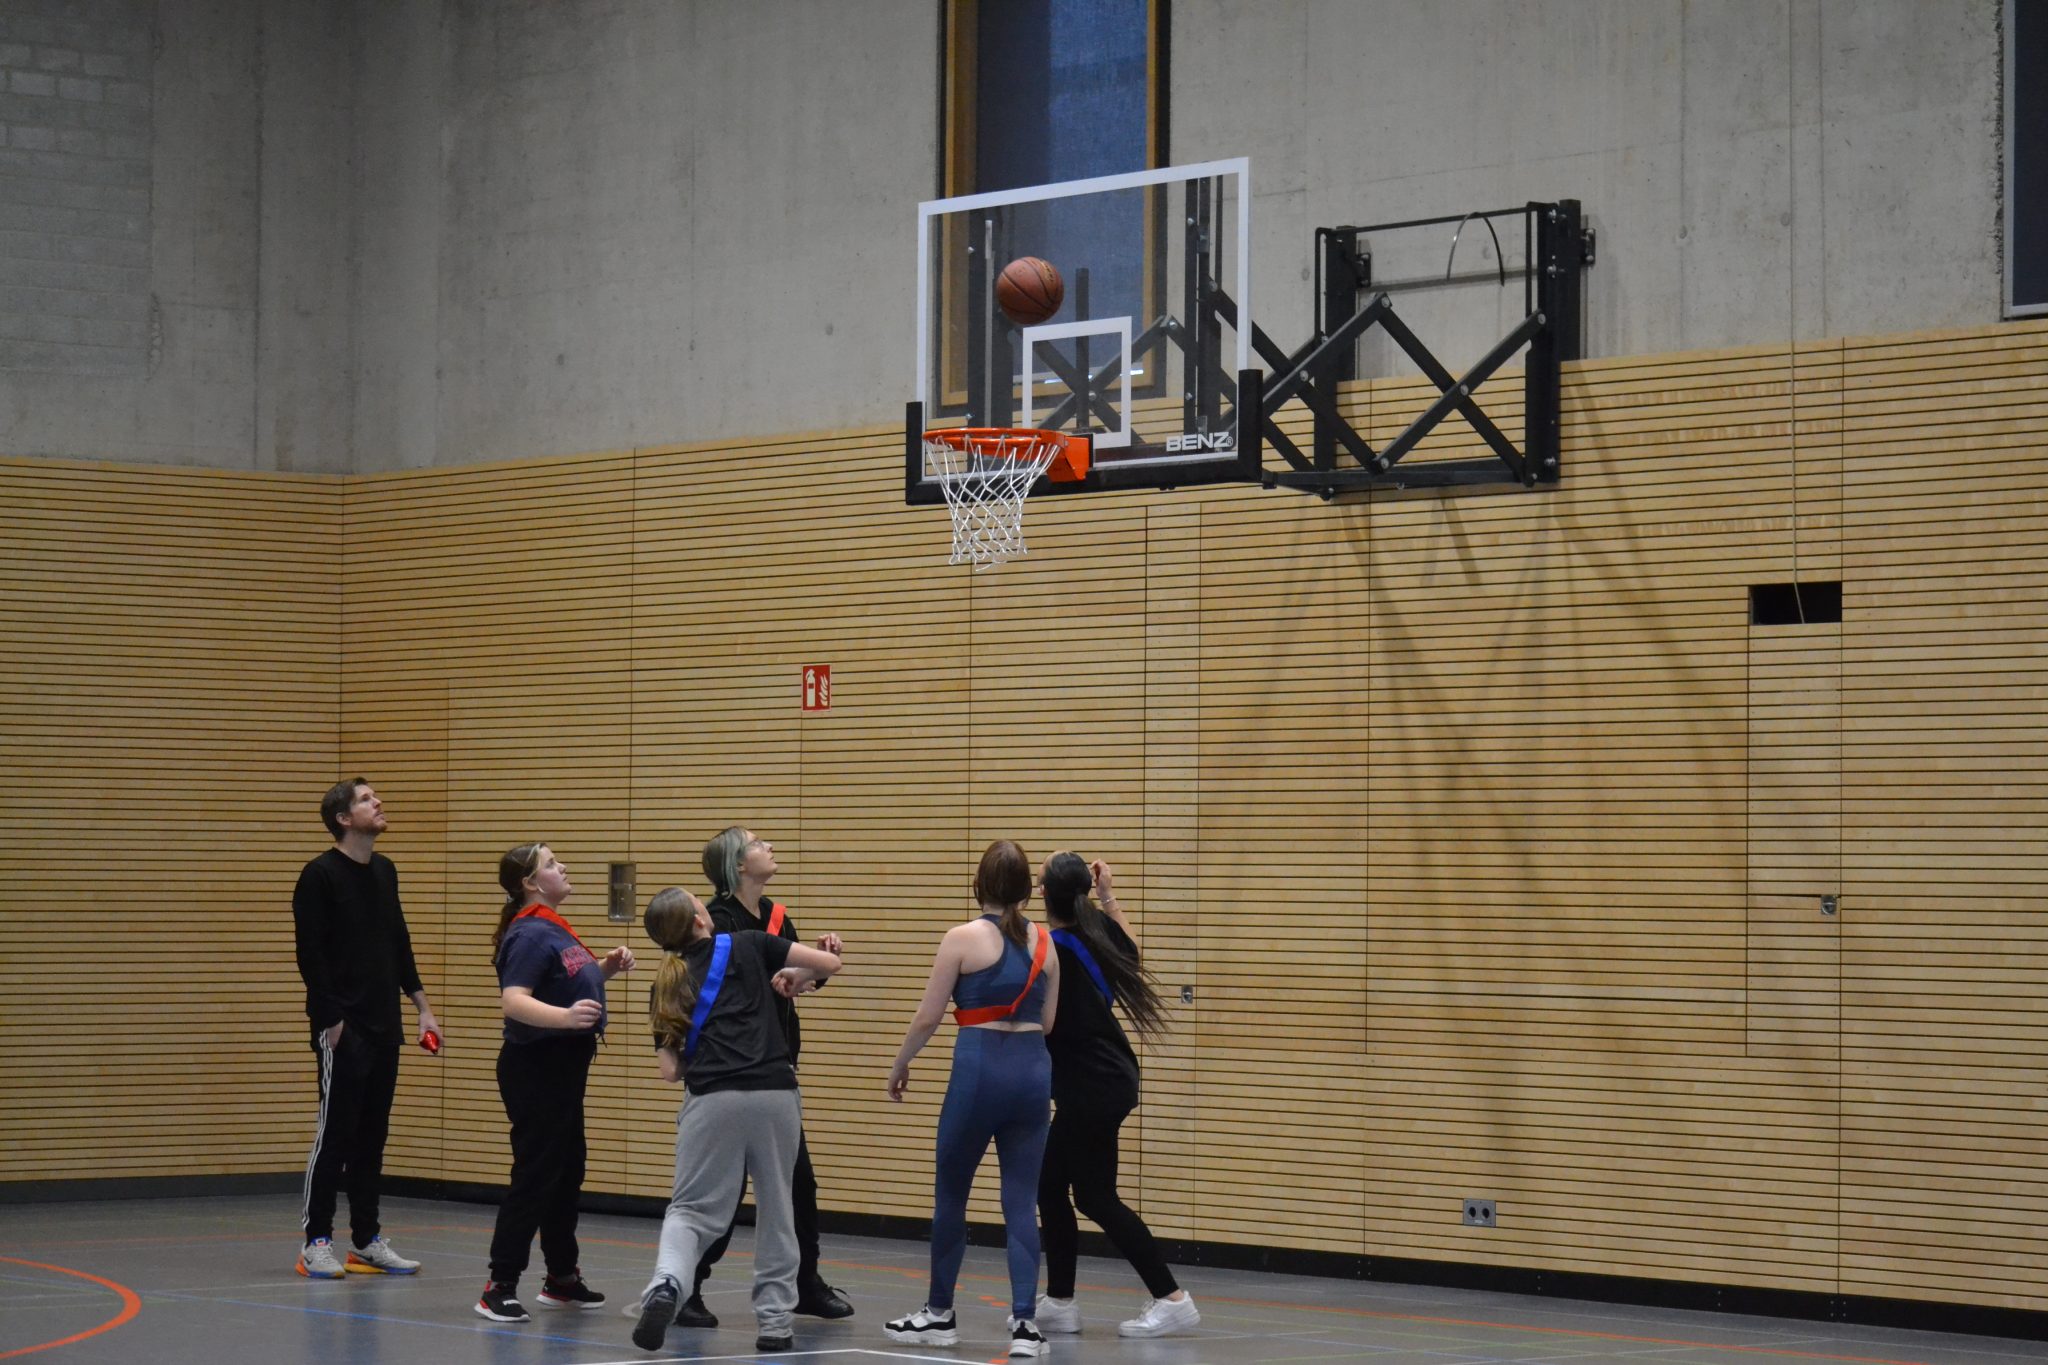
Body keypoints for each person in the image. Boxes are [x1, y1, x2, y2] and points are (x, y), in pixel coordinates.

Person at [633, 885, 845, 1354]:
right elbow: (829, 965)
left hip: (712, 1099)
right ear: (699, 919)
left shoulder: (665, 983)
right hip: (774, 1092)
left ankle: (667, 1284)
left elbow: (670, 1071)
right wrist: (797, 972)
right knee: (777, 1208)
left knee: (690, 1211)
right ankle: (774, 1324)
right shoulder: (750, 942)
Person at [885, 839, 1060, 1359]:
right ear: (1027, 890)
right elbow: (1048, 1023)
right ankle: (1025, 1325)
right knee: (1021, 1201)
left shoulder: (960, 938)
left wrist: (901, 1063)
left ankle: (939, 1313)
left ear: (978, 885)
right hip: (1033, 1076)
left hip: (979, 1073)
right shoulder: (1047, 945)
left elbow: (928, 1017)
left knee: (951, 1194)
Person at [674, 827, 853, 1327]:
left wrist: (812, 968)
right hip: (729, 1073)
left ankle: (805, 1283)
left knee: (800, 1186)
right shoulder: (718, 923)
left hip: (774, 1074)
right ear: (737, 864)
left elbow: (793, 982)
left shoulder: (775, 915)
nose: (769, 847)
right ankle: (687, 1287)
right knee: (722, 1194)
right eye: (757, 843)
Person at [1032, 854, 1198, 1338]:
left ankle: (1171, 1298)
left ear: (1043, 893)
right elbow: (1131, 951)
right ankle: (1060, 1301)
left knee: (1095, 1196)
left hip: (1093, 1085)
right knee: (1056, 1187)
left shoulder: (1053, 948)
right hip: (1104, 1079)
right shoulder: (1094, 933)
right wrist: (1108, 896)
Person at [475, 843, 636, 1323]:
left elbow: (565, 982)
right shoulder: (529, 933)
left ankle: (561, 1277)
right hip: (536, 1067)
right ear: (530, 883)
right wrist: (565, 1018)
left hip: (564, 1068)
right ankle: (499, 1284)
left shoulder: (554, 928)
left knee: (567, 1172)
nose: (562, 867)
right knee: (536, 1174)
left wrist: (605, 968)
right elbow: (514, 1000)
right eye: (550, 864)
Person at [292, 777, 439, 1279]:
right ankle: (316, 1242)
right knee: (334, 1135)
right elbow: (310, 956)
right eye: (365, 799)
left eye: (375, 796)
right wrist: (331, 1020)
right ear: (343, 818)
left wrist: (421, 1006)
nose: (378, 802)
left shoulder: (385, 870)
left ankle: (366, 1240)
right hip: (343, 1028)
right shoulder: (319, 876)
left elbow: (398, 941)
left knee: (372, 1136)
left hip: (384, 1024)